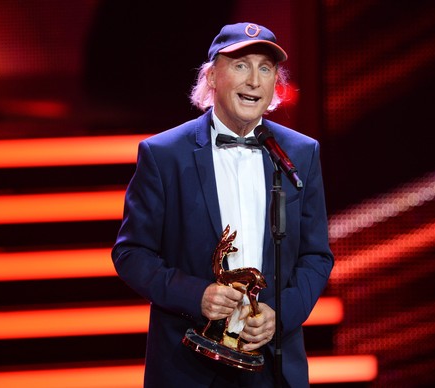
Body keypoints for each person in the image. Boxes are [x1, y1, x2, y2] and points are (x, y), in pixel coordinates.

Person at [112, 22, 334, 388]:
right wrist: (195, 295)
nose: (254, 81)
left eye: (265, 68)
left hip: (273, 363)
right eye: (241, 65)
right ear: (213, 75)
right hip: (188, 366)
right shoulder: (164, 155)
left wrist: (281, 315)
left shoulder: (299, 154)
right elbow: (131, 254)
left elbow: (317, 255)